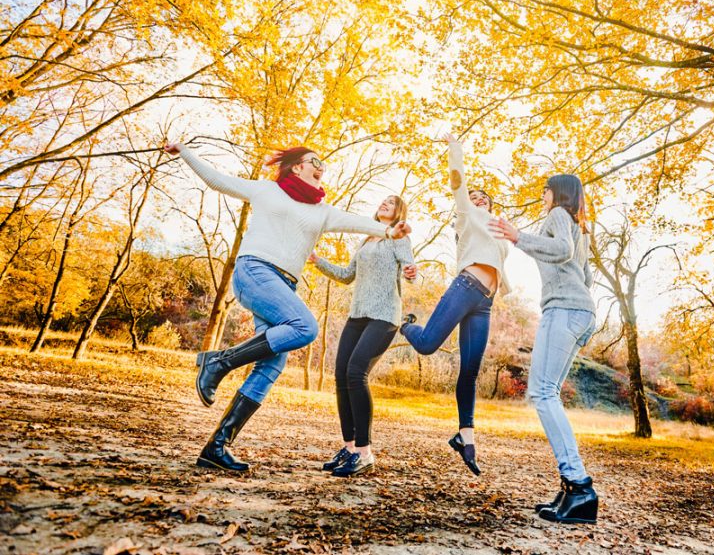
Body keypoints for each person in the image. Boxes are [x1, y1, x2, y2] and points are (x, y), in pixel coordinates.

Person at [163, 142, 411, 472]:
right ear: (297, 167)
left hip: (284, 285)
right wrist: (184, 153)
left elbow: (359, 223)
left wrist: (390, 231)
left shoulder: (322, 211)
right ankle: (218, 363)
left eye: (323, 163)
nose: (321, 167)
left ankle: (217, 446)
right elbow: (217, 180)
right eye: (315, 161)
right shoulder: (268, 191)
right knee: (305, 327)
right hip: (255, 271)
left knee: (270, 366)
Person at [488, 174, 598, 524]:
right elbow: (587, 276)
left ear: (559, 192)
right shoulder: (581, 227)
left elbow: (561, 252)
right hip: (579, 311)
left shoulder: (558, 216)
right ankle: (571, 489)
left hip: (564, 309)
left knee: (542, 392)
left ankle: (579, 485)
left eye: (546, 190)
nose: (543, 196)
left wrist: (518, 236)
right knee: (546, 393)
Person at [399, 133, 509, 476]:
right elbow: (458, 180)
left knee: (471, 371)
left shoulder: (499, 230)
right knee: (428, 344)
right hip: (466, 286)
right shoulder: (467, 215)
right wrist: (454, 148)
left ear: (492, 206)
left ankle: (466, 438)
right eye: (473, 197)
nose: (477, 199)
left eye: (483, 198)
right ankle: (404, 323)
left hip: (485, 302)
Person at [310, 195, 417, 477]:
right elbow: (347, 276)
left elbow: (409, 269)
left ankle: (365, 452)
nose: (385, 204)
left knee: (356, 373)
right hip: (358, 315)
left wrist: (410, 272)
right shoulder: (366, 238)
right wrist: (318, 261)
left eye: (391, 203)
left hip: (384, 316)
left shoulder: (398, 237)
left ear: (398, 211)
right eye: (383, 201)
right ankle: (349, 447)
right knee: (341, 375)